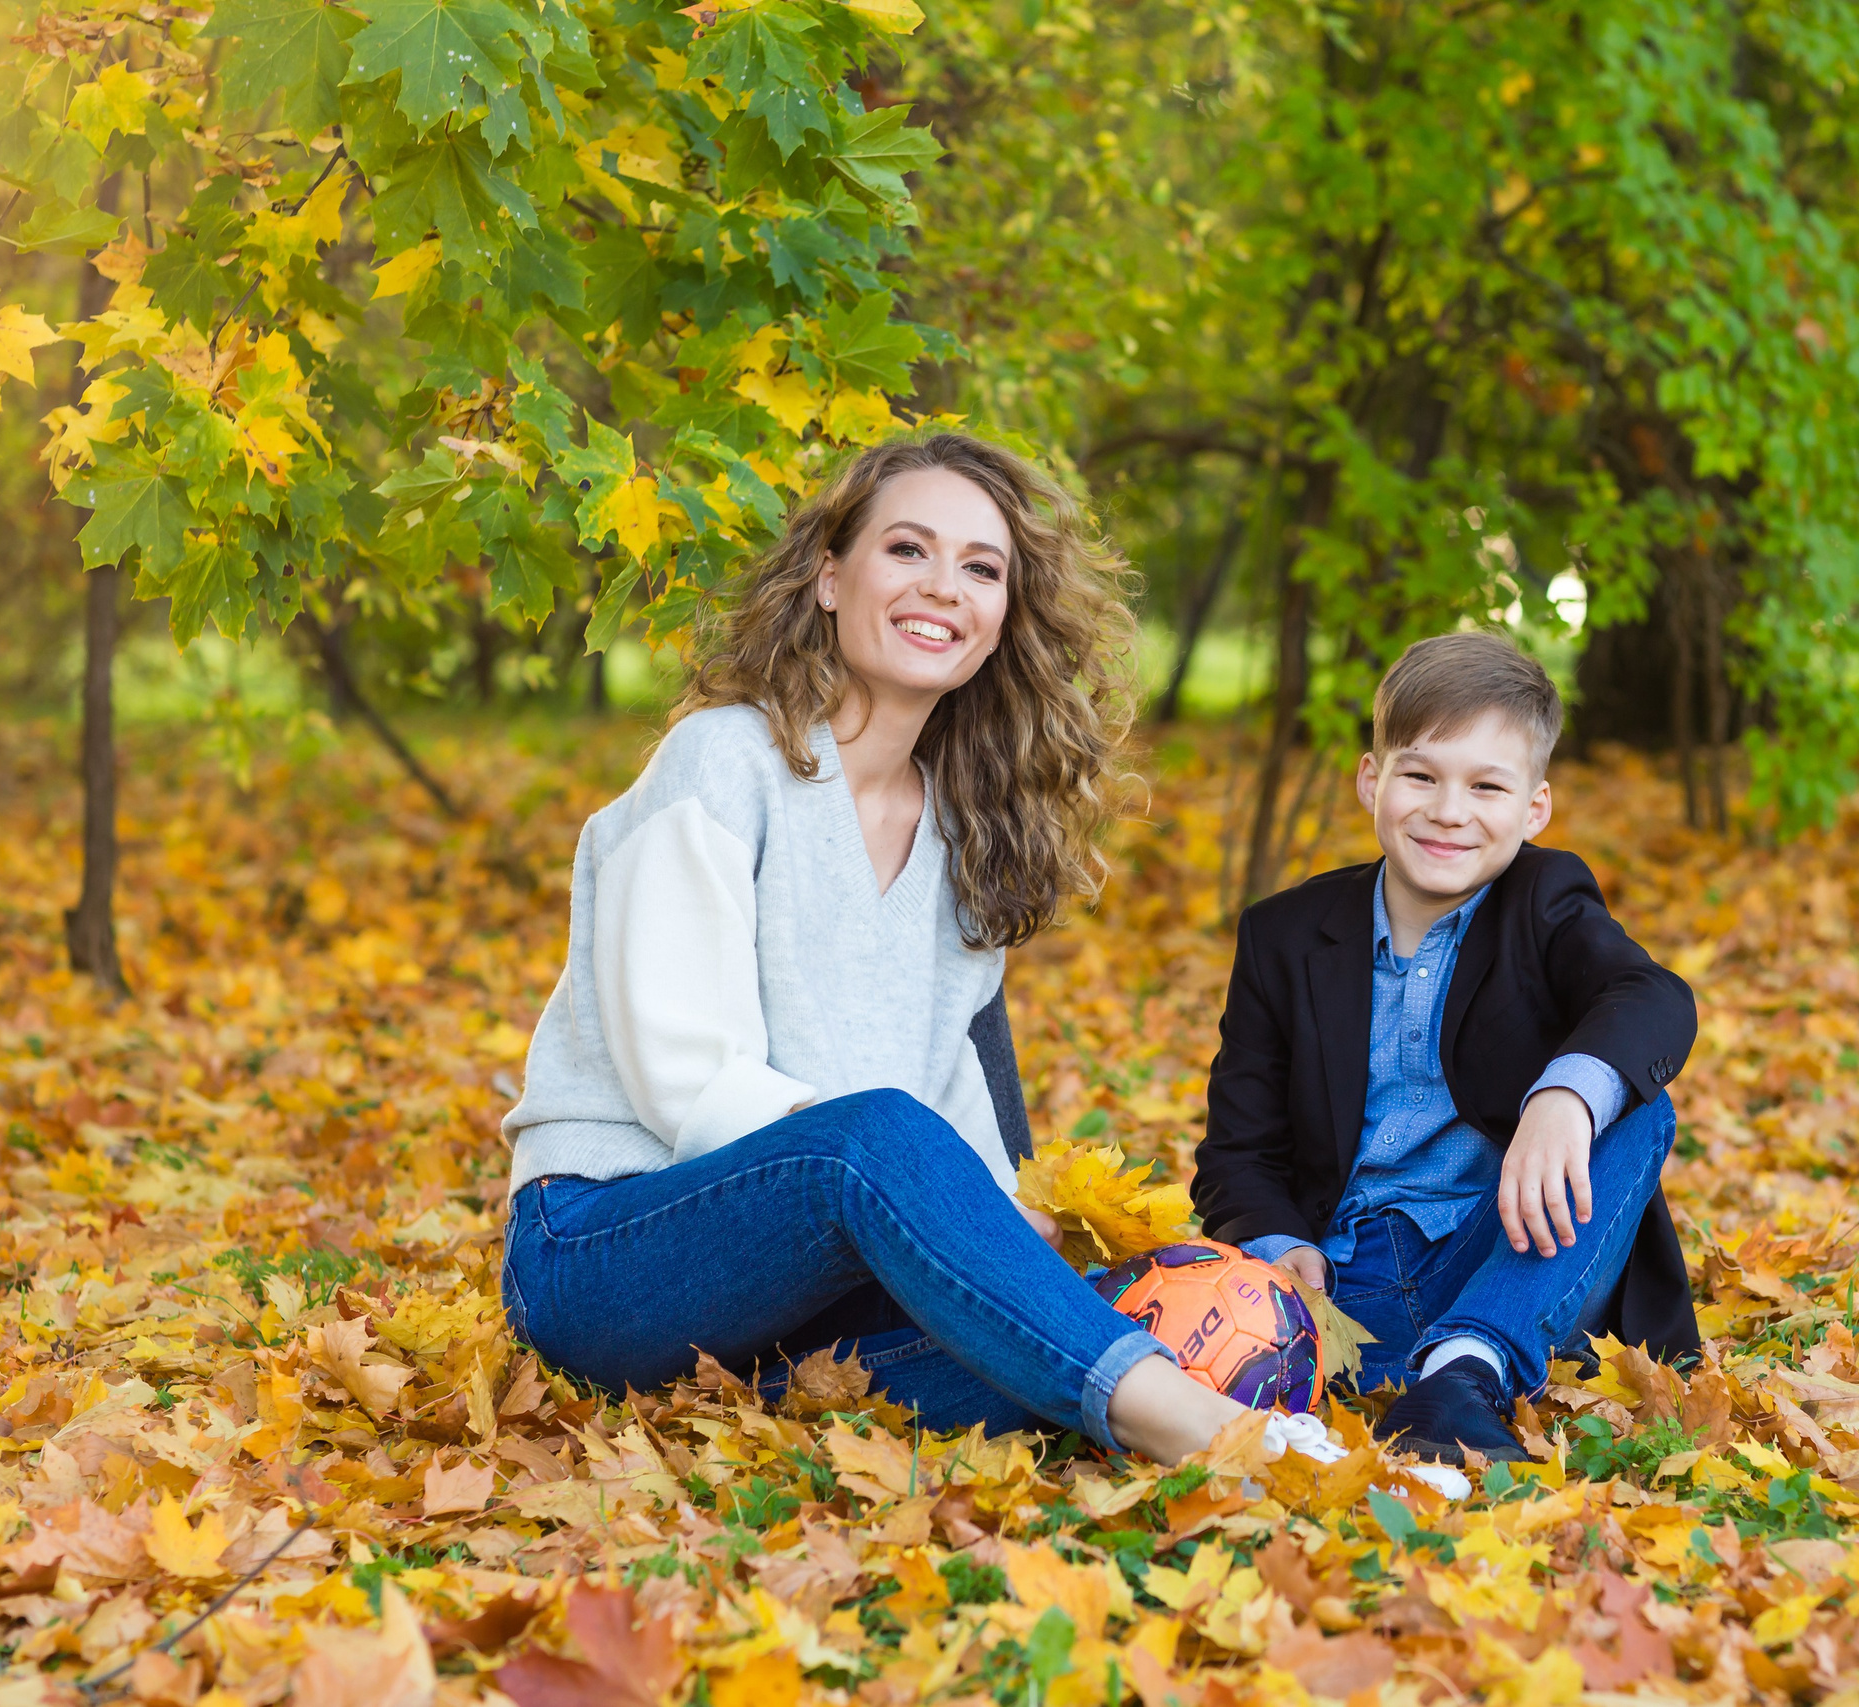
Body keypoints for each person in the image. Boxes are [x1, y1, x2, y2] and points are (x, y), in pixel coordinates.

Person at [497, 431, 1281, 1465]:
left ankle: (1237, 1425)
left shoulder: (964, 830)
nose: (944, 587)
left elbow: (949, 1093)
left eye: (981, 569)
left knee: (1101, 1323)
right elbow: (689, 1081)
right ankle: (1198, 1428)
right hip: (606, 1249)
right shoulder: (722, 760)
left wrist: (993, 1227)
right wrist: (922, 1200)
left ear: (1003, 621)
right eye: (908, 549)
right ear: (829, 578)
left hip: (806, 1280)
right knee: (879, 1140)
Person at [1193, 632, 1700, 1463]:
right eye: (1420, 775)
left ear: (1533, 808)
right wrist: (1283, 1248)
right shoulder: (1284, 936)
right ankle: (1394, 1375)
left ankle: (1465, 1371)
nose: (1449, 810)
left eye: (1486, 785)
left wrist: (1563, 1097)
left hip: (1506, 1255)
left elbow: (1652, 998)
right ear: (1372, 779)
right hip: (1342, 1295)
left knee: (1634, 1106)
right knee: (1124, 1298)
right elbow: (1236, 1153)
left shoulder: (1544, 902)